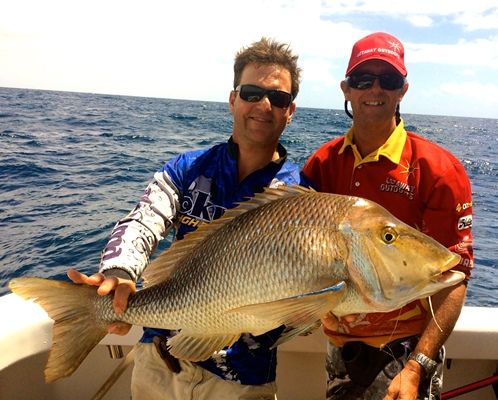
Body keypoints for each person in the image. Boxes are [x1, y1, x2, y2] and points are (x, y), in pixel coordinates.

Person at [68, 37, 303, 400]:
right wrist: (119, 272)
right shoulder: (188, 168)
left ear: (291, 111)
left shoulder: (300, 196)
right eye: (251, 93)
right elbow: (144, 220)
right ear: (232, 100)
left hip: (241, 380)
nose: (264, 105)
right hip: (159, 363)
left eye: (279, 98)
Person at [302, 32, 474, 400]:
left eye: (389, 80)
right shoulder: (322, 164)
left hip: (406, 351)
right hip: (338, 350)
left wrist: (417, 368)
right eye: (364, 80)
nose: (375, 89)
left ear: (403, 90)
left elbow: (454, 278)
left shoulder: (439, 169)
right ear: (347, 89)